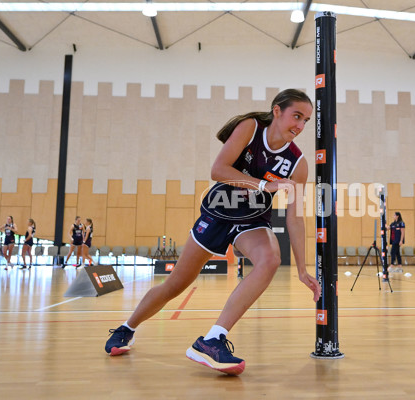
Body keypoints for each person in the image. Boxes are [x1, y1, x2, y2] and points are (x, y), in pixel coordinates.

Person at [104, 89, 321, 375]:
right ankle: (126, 328)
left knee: (269, 259)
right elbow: (218, 169)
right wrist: (263, 185)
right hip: (217, 213)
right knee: (175, 285)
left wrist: (302, 269)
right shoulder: (251, 128)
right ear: (277, 111)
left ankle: (212, 339)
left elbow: (294, 217)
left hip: (252, 221)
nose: (300, 126)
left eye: (306, 120)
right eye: (296, 116)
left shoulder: (298, 164)